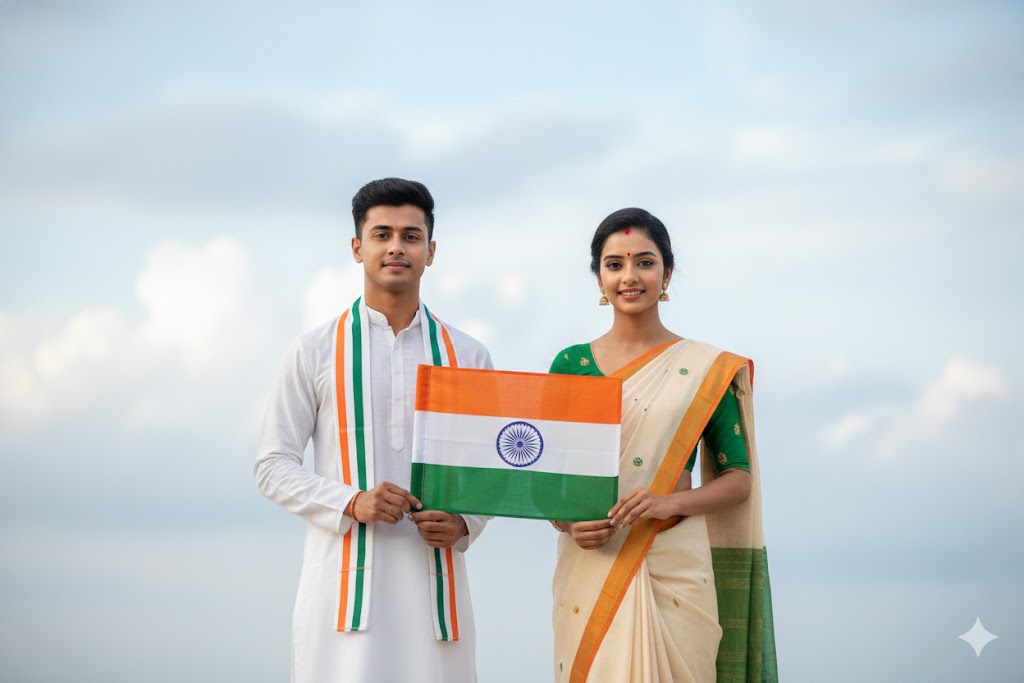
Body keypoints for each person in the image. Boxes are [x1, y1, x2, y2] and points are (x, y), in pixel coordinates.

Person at [255, 178, 492, 683]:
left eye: (411, 236)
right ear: (357, 247)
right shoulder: (315, 350)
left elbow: (489, 470)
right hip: (342, 593)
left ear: (431, 250)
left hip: (436, 593)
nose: (396, 247)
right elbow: (271, 465)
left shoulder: (468, 356)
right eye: (381, 234)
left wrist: (465, 522)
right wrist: (350, 501)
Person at [548, 208, 777, 682]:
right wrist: (568, 523)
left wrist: (664, 502)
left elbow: (738, 480)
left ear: (667, 272)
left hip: (675, 565)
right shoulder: (570, 364)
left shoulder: (705, 368)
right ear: (598, 277)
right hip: (593, 562)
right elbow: (547, 478)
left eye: (645, 263)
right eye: (614, 265)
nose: (629, 277)